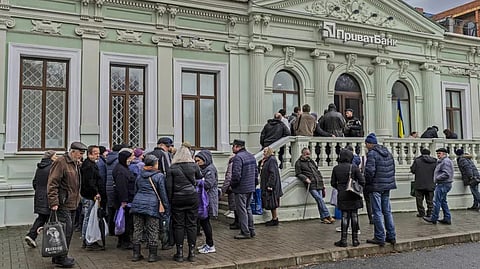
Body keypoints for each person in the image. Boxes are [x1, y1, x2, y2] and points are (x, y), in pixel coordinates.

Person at [47, 142, 87, 268]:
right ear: (73, 151)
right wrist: (53, 202)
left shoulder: (75, 164)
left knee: (65, 230)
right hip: (63, 203)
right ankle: (61, 258)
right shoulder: (61, 162)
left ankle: (57, 256)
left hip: (73, 202)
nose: (81, 156)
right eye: (80, 153)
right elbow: (52, 183)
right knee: (66, 230)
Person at [166, 142, 203, 262]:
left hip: (177, 198)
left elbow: (169, 187)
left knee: (179, 225)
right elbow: (199, 177)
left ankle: (179, 252)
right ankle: (191, 253)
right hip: (192, 197)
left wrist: (170, 201)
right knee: (192, 224)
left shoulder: (172, 168)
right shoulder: (194, 166)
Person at [130, 154, 169, 263]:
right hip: (152, 205)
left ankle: (136, 254)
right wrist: (166, 207)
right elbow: (163, 193)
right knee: (153, 229)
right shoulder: (159, 176)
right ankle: (152, 255)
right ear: (154, 164)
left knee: (137, 229)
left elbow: (135, 190)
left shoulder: (140, 175)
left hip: (137, 204)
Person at [364, 133, 396, 246]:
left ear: (369, 144)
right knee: (387, 211)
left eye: (366, 144)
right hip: (387, 185)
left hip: (376, 186)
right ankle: (391, 236)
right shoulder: (387, 153)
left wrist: (367, 183)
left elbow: (369, 171)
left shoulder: (372, 154)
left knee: (377, 211)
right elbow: (393, 169)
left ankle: (379, 237)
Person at [331, 149, 365, 247]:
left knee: (344, 216)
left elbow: (333, 183)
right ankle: (355, 240)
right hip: (353, 194)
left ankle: (343, 240)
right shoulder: (354, 167)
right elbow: (362, 181)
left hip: (342, 194)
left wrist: (340, 188)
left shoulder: (336, 168)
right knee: (354, 215)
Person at [25, 150, 57, 249]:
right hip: (48, 197)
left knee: (42, 217)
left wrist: (39, 192)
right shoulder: (52, 168)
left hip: (39, 196)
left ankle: (32, 236)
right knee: (49, 219)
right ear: (51, 157)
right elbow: (53, 183)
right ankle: (49, 242)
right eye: (55, 156)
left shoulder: (40, 168)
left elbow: (34, 182)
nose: (56, 157)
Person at [295, 147, 335, 224]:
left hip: (318, 182)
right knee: (319, 199)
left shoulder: (311, 161)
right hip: (311, 184)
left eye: (309, 154)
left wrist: (321, 181)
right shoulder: (298, 163)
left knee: (320, 200)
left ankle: (323, 218)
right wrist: (305, 178)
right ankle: (328, 215)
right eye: (306, 154)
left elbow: (316, 170)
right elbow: (298, 173)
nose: (308, 155)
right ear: (302, 154)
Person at [230, 139, 258, 239]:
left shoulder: (238, 158)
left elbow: (236, 175)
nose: (232, 148)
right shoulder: (251, 156)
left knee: (242, 210)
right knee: (248, 209)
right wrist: (254, 184)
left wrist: (232, 185)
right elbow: (256, 172)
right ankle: (251, 230)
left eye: (233, 146)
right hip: (250, 187)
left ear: (237, 147)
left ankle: (245, 232)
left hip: (241, 188)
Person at [80, 145, 104, 250]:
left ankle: (87, 240)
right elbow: (90, 182)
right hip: (90, 196)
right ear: (89, 154)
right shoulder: (89, 166)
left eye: (98, 153)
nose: (98, 155)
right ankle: (88, 241)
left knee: (88, 218)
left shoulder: (89, 164)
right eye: (95, 153)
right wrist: (96, 193)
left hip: (88, 195)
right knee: (89, 218)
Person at [194, 149, 219, 254]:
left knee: (206, 222)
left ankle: (210, 245)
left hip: (208, 200)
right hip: (205, 199)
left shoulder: (210, 170)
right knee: (204, 222)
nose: (197, 163)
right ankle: (208, 243)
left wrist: (196, 181)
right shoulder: (204, 169)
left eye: (198, 161)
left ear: (205, 160)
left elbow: (208, 184)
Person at [423, 148, 454, 225]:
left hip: (443, 184)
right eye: (437, 153)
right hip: (444, 184)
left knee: (436, 201)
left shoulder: (445, 161)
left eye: (439, 153)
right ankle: (447, 218)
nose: (438, 155)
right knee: (443, 201)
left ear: (444, 154)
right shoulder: (443, 161)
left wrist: (437, 178)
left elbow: (446, 174)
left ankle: (434, 218)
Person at [113, 149, 136, 250]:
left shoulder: (122, 168)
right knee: (125, 221)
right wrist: (124, 201)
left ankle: (123, 240)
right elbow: (121, 187)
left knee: (123, 220)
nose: (132, 159)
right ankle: (125, 241)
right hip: (125, 200)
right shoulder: (121, 171)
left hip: (125, 198)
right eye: (130, 157)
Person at [259, 147, 283, 226]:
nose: (264, 153)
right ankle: (274, 218)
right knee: (271, 202)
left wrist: (270, 185)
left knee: (272, 202)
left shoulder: (271, 160)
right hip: (267, 184)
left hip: (271, 186)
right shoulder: (267, 160)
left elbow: (273, 173)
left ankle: (275, 219)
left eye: (265, 151)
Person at [410, 148, 436, 218]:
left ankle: (421, 213)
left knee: (419, 201)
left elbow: (413, 170)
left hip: (419, 183)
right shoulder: (434, 161)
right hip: (431, 183)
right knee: (430, 200)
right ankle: (430, 213)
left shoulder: (417, 161)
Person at [221, 154, 238, 229]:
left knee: (234, 206)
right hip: (236, 188)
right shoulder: (237, 164)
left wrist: (223, 190)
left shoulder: (231, 165)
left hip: (232, 188)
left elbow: (228, 178)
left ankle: (237, 222)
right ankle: (237, 222)